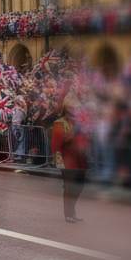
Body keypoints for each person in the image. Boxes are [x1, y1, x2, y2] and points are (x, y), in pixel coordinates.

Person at [51, 94, 87, 223]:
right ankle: (68, 214)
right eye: (72, 108)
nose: (75, 111)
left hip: (79, 159)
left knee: (80, 186)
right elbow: (56, 144)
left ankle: (72, 211)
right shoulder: (59, 123)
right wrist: (73, 134)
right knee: (69, 187)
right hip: (66, 160)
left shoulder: (79, 122)